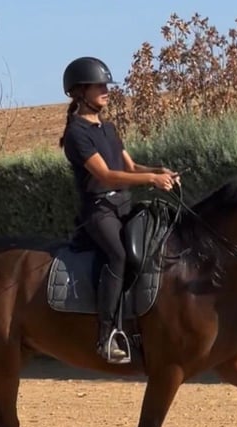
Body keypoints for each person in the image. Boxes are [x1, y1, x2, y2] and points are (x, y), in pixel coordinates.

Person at [59, 56, 179, 363]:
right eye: (99, 85)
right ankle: (107, 335)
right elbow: (106, 176)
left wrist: (158, 169)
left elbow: (129, 167)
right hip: (99, 210)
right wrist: (152, 179)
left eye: (105, 85)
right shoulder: (77, 134)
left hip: (123, 205)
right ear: (80, 91)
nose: (106, 90)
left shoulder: (109, 129)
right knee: (118, 255)